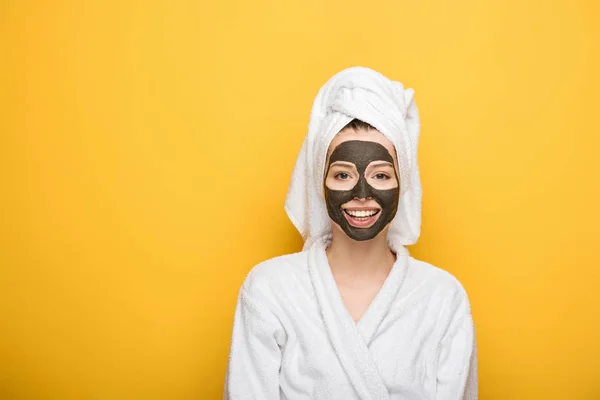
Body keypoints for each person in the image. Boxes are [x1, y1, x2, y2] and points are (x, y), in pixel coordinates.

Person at [224, 67, 477, 400]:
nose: (362, 193)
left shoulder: (443, 298)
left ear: (403, 185)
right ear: (319, 181)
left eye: (381, 175)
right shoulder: (270, 290)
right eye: (342, 175)